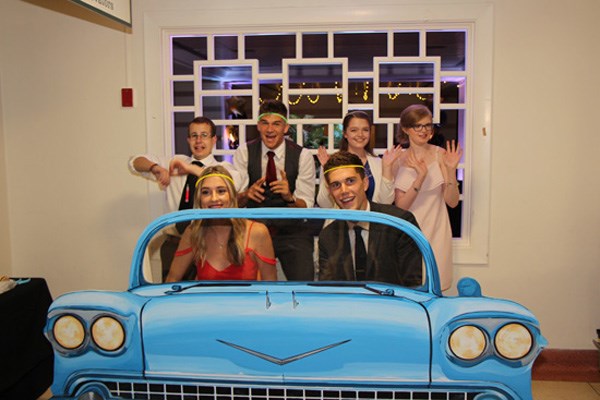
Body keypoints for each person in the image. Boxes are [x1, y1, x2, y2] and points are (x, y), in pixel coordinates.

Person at [129, 116, 242, 280]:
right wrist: (156, 168)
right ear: (188, 140)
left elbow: (232, 185)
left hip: (211, 245)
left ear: (213, 140)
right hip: (175, 243)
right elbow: (134, 162)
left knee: (207, 295)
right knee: (172, 294)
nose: (199, 140)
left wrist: (190, 169)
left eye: (204, 135)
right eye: (194, 135)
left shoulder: (224, 168)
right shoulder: (175, 163)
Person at [233, 100, 316, 281]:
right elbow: (233, 204)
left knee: (304, 284)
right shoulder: (244, 152)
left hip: (292, 232)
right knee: (245, 286)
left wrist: (289, 197)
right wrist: (246, 195)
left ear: (285, 128)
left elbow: (306, 208)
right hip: (253, 229)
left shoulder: (303, 156)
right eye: (265, 123)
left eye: (276, 124)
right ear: (258, 126)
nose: (270, 130)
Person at [318, 151, 422, 287]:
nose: (344, 191)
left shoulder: (399, 223)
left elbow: (413, 285)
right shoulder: (328, 236)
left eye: (350, 181)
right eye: (336, 185)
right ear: (330, 192)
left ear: (365, 183)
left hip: (393, 306)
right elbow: (328, 290)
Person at [165, 166, 277, 282]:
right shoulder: (193, 232)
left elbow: (272, 285)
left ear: (232, 195)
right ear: (199, 199)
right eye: (206, 192)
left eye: (221, 191)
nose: (214, 198)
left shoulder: (257, 232)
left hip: (247, 300)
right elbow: (172, 279)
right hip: (207, 300)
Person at [393, 104, 462, 291]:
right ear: (406, 129)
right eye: (418, 126)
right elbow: (400, 207)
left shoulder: (441, 155)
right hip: (409, 233)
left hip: (437, 232)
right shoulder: (397, 159)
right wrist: (420, 177)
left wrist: (450, 170)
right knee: (409, 290)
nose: (424, 130)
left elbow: (452, 202)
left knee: (435, 290)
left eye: (428, 125)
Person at [316, 111, 401, 208]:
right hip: (341, 221)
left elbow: (386, 202)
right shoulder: (332, 163)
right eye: (354, 130)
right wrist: (327, 170)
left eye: (365, 130)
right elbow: (324, 204)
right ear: (345, 134)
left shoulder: (378, 163)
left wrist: (387, 167)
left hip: (373, 221)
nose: (360, 134)